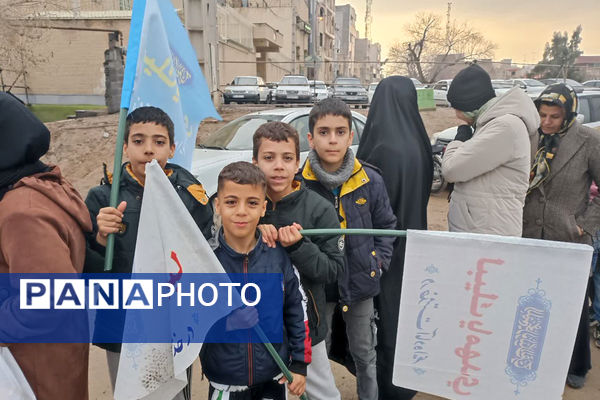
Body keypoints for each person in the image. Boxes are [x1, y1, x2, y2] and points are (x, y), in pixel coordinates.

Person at [84, 106, 213, 397]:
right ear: (125, 146)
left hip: (172, 319)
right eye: (139, 141)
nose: (148, 150)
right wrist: (101, 237)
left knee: (175, 390)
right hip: (123, 322)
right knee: (132, 391)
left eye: (159, 141)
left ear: (172, 148)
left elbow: (204, 251)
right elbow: (87, 271)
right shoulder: (103, 197)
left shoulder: (188, 194)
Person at [301, 98, 397, 400]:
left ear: (351, 136)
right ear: (310, 138)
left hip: (361, 281)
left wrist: (377, 262)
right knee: (317, 354)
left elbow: (386, 225)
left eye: (340, 131)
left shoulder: (370, 179)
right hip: (318, 285)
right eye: (324, 131)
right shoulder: (297, 182)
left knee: (365, 353)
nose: (332, 139)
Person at [0, 92, 92, 399]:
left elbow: (47, 299)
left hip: (32, 370)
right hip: (51, 355)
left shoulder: (21, 209)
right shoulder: (40, 180)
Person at [200, 161, 309, 400]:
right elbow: (190, 320)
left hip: (273, 376)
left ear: (263, 208)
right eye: (231, 202)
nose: (241, 211)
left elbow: (296, 308)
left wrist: (299, 364)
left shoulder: (278, 255)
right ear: (217, 205)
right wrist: (228, 324)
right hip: (225, 382)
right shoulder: (206, 262)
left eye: (251, 203)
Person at [252, 121, 344, 400]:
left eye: (287, 158)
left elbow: (333, 270)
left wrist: (299, 246)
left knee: (323, 395)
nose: (278, 166)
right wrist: (252, 232)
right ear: (254, 161)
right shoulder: (245, 205)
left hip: (306, 329)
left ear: (298, 163)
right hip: (258, 327)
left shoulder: (320, 209)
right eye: (269, 158)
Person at [356, 76, 433, 400]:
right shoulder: (420, 143)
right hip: (415, 244)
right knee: (408, 318)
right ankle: (406, 386)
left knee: (383, 322)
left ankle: (387, 390)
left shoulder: (382, 148)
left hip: (385, 249)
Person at [523, 83, 600, 389]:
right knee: (534, 302)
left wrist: (585, 224)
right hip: (530, 233)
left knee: (573, 305)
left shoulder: (588, 140)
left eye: (555, 115)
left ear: (568, 113)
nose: (547, 121)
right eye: (543, 114)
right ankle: (538, 358)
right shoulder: (531, 137)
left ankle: (577, 364)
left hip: (568, 238)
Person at [442, 64, 539, 236]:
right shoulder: (493, 123)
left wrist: (457, 142)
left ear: (470, 104)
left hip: (489, 231)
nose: (457, 115)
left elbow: (452, 170)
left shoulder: (505, 127)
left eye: (457, 108)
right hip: (483, 226)